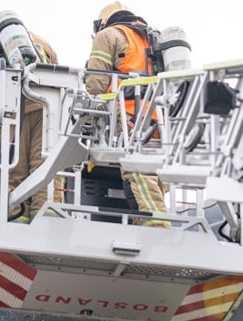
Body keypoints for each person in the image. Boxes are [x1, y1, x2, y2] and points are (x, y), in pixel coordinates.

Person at [0, 10, 63, 223]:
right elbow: (59, 78)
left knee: (13, 170)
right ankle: (48, 213)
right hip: (46, 110)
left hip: (8, 112)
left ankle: (18, 218)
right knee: (45, 166)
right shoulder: (40, 42)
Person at [85, 2, 170, 228]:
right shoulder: (153, 37)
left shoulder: (108, 35)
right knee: (156, 172)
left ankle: (156, 223)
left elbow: (96, 82)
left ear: (102, 22)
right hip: (159, 115)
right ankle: (154, 218)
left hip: (131, 112)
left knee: (138, 170)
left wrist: (89, 119)